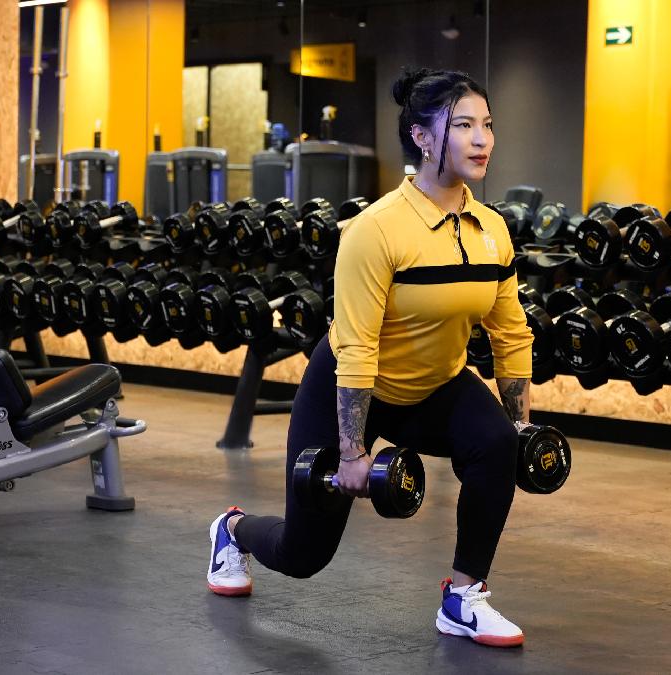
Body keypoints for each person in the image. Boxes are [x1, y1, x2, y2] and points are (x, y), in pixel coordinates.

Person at [205, 67, 534, 648]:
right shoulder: (375, 230)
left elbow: (510, 334)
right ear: (422, 137)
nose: (482, 139)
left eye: (487, 124)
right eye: (462, 125)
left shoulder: (492, 230)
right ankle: (232, 530)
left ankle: (463, 597)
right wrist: (353, 451)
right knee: (303, 555)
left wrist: (520, 422)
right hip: (353, 387)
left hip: (435, 385)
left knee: (498, 444)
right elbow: (356, 345)